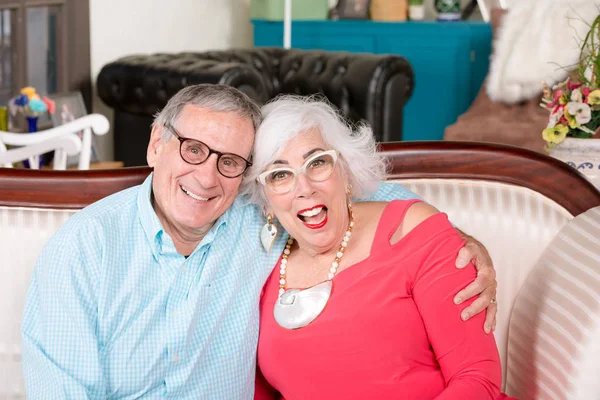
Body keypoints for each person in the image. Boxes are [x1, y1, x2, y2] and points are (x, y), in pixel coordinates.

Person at [21, 84, 498, 399]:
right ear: (155, 145)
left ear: (246, 177)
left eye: (229, 161)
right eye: (193, 149)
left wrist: (458, 240)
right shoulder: (85, 251)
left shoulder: (257, 219)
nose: (207, 177)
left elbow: (354, 191)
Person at [242, 95, 513, 399]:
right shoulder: (261, 269)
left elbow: (477, 378)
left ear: (345, 170)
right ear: (265, 200)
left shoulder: (413, 232)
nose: (304, 188)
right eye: (280, 175)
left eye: (317, 163)